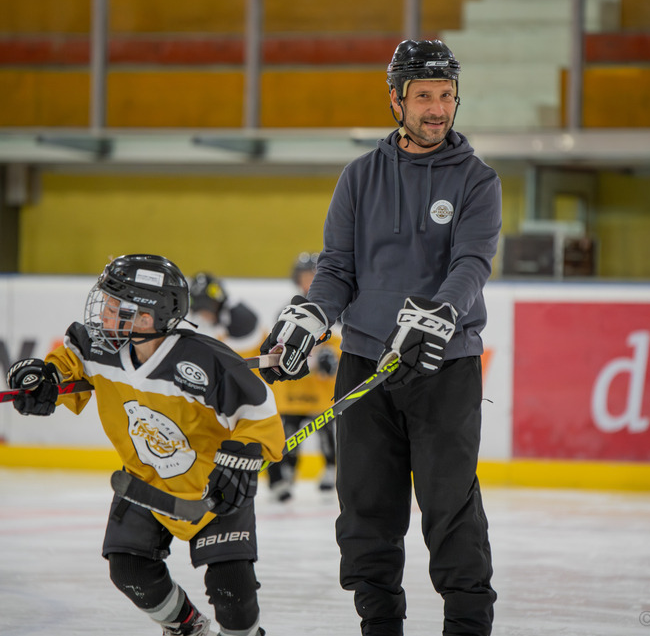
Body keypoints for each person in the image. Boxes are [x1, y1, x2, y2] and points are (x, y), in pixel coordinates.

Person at [259, 39, 500, 635]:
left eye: (446, 96)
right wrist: (313, 316)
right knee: (365, 512)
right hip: (366, 364)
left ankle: (467, 626)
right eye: (424, 97)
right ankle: (380, 627)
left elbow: (472, 263)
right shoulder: (360, 176)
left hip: (443, 365)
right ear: (396, 100)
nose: (437, 109)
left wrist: (438, 315)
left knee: (450, 509)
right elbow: (336, 269)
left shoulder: (477, 180)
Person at [6, 254, 284, 636]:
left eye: (113, 307)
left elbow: (259, 409)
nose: (102, 314)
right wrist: (44, 377)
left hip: (212, 486)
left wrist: (243, 454)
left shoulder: (206, 359)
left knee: (232, 591)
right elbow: (69, 363)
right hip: (144, 481)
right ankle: (186, 627)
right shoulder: (98, 348)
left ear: (146, 318)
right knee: (128, 569)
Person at [265, 251, 341, 501]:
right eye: (305, 276)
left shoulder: (335, 309)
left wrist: (331, 359)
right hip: (294, 390)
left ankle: (331, 468)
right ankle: (287, 472)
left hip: (321, 391)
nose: (308, 281)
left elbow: (339, 345)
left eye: (313, 276)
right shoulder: (287, 311)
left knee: (327, 433)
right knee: (288, 434)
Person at [188, 272, 263, 354]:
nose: (203, 317)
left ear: (213, 305)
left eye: (203, 312)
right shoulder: (229, 313)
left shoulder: (239, 320)